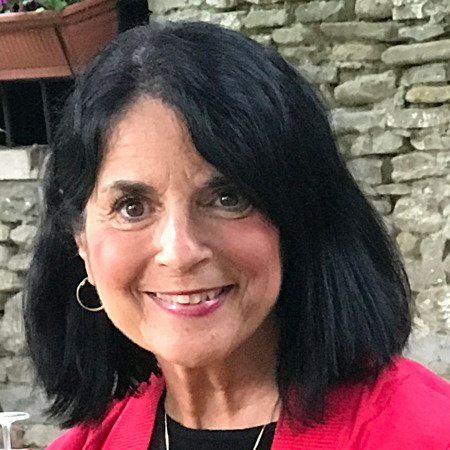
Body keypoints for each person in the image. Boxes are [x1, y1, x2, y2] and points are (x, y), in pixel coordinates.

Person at [24, 21, 450, 450]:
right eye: (132, 207)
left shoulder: (424, 433)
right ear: (79, 239)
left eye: (229, 199)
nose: (179, 251)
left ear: (301, 217)